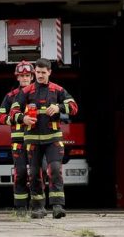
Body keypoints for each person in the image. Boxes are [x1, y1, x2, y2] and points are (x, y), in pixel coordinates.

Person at [9, 59, 78, 219]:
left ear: (49, 72)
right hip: (32, 141)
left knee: (54, 169)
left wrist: (59, 107)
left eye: (43, 72)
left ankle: (57, 206)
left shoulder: (57, 90)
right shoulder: (26, 91)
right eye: (38, 72)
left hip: (53, 139)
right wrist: (23, 118)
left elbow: (74, 107)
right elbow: (13, 111)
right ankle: (38, 207)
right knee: (34, 173)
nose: (40, 75)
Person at [0, 61, 36, 218]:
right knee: (20, 173)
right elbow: (0, 116)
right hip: (18, 141)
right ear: (17, 78)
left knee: (37, 173)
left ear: (32, 77)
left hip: (36, 140)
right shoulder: (10, 96)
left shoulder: (39, 93)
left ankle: (36, 205)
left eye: (27, 75)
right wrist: (15, 119)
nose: (25, 78)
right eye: (22, 76)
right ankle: (20, 206)